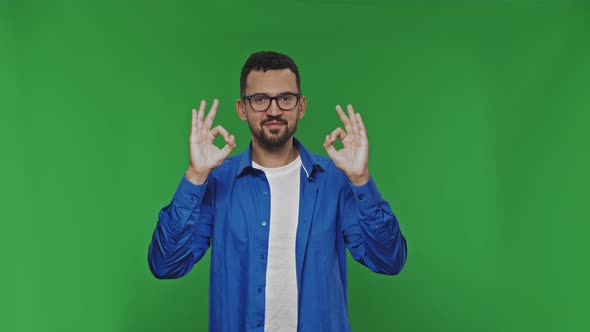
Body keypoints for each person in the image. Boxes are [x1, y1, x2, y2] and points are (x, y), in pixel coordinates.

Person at [148, 51, 407, 332]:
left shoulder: (335, 179)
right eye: (260, 99)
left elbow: (389, 260)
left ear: (301, 106)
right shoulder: (217, 181)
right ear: (242, 108)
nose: (274, 111)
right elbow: (165, 264)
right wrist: (196, 175)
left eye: (285, 98)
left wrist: (360, 179)